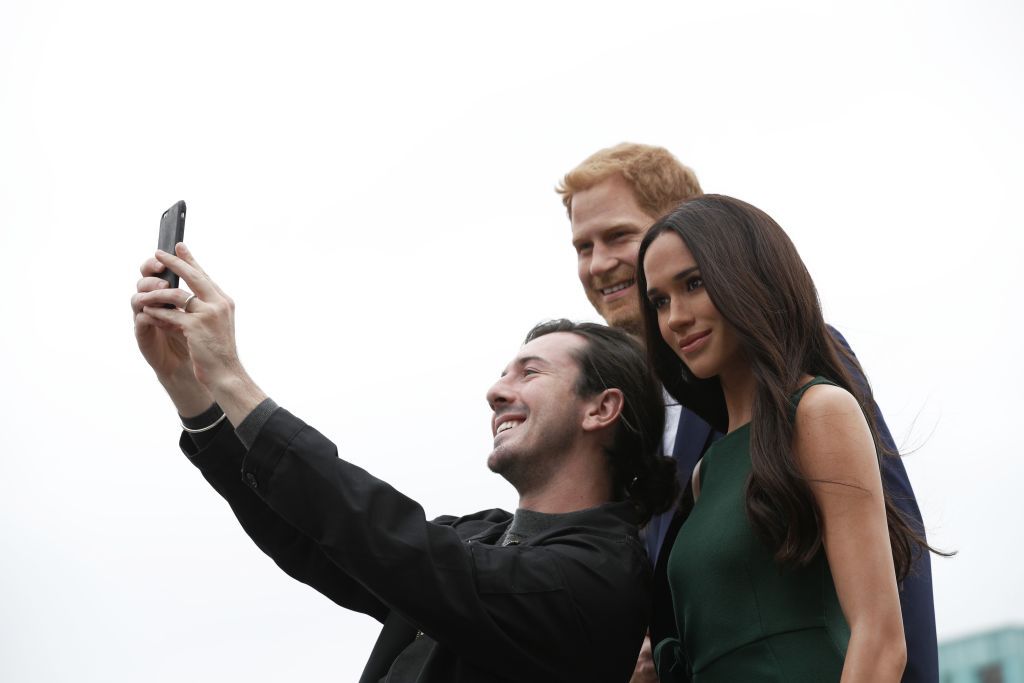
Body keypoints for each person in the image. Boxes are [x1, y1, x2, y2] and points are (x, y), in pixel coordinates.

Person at [130, 243, 678, 683]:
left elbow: (393, 542)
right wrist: (192, 391)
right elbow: (315, 536)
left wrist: (233, 378)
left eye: (530, 373)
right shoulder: (483, 535)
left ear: (601, 409)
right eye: (504, 374)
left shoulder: (600, 575)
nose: (495, 392)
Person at [556, 143, 937, 683]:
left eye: (617, 236)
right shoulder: (619, 422)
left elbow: (894, 578)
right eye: (582, 246)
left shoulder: (809, 393)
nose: (598, 263)